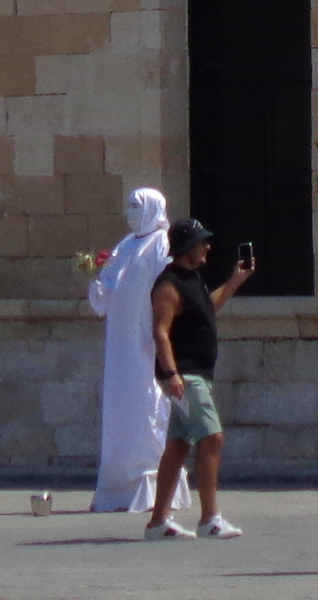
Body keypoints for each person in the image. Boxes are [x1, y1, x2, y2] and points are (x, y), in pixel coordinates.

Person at [143, 219, 253, 540]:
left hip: (197, 374)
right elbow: (160, 331)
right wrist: (172, 373)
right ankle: (210, 519)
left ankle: (158, 522)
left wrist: (236, 280)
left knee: (179, 444)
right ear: (186, 247)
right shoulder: (169, 284)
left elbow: (209, 308)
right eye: (201, 242)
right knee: (211, 438)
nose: (207, 247)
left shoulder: (192, 280)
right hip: (186, 375)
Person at [86, 187, 172, 512]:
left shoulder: (162, 243)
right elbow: (105, 297)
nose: (130, 213)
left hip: (145, 343)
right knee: (120, 412)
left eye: (137, 207)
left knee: (147, 407)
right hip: (120, 348)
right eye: (129, 207)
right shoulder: (125, 245)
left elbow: (167, 288)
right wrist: (95, 279)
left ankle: (150, 482)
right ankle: (118, 485)